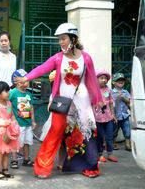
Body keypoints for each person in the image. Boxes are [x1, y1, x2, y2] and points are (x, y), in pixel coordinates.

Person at [14, 23, 103, 179]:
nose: (61, 42)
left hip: (83, 101)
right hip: (62, 101)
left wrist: (99, 100)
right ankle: (42, 168)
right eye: (59, 39)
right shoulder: (58, 58)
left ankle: (90, 167)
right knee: (54, 133)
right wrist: (26, 78)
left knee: (87, 132)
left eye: (63, 39)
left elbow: (93, 81)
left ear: (73, 39)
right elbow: (42, 68)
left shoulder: (86, 57)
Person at [0, 81, 20, 180]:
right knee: (0, 152)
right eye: (5, 91)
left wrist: (14, 121)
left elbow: (11, 115)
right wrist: (3, 123)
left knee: (7, 152)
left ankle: (5, 169)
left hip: (8, 131)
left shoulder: (9, 104)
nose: (8, 93)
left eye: (8, 91)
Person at [9, 69, 36, 169]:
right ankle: (14, 160)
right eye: (26, 80)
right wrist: (11, 117)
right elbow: (7, 104)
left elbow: (31, 107)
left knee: (27, 142)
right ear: (18, 83)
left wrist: (33, 120)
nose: (28, 81)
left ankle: (26, 159)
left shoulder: (28, 94)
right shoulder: (13, 93)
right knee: (15, 142)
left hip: (27, 123)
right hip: (17, 124)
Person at [93, 69, 118, 163]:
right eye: (101, 78)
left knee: (109, 136)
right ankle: (100, 154)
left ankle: (110, 154)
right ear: (96, 79)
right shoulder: (94, 91)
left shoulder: (108, 90)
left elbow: (111, 103)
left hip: (108, 118)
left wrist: (113, 115)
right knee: (99, 137)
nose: (104, 80)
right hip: (97, 118)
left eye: (105, 78)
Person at [112, 72, 131, 151]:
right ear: (114, 82)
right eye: (118, 80)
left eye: (122, 80)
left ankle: (127, 144)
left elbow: (129, 101)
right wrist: (116, 98)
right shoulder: (111, 92)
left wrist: (123, 97)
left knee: (127, 131)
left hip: (124, 115)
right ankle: (113, 143)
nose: (121, 81)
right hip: (116, 116)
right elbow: (109, 101)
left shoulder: (125, 92)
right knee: (114, 131)